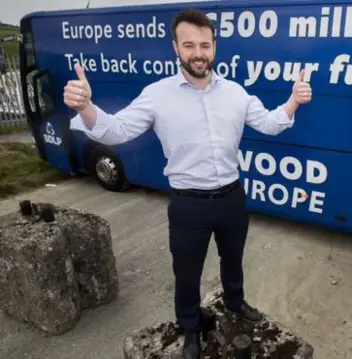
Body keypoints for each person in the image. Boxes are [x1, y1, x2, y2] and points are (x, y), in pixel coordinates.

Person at [64, 8, 312, 359]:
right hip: (188, 204)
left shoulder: (236, 94)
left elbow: (271, 123)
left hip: (231, 198)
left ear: (214, 48)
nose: (198, 53)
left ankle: (236, 302)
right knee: (187, 270)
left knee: (233, 259)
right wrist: (87, 107)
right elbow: (116, 130)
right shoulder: (157, 94)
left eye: (205, 45)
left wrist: (293, 101)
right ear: (175, 48)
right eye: (189, 45)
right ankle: (190, 327)